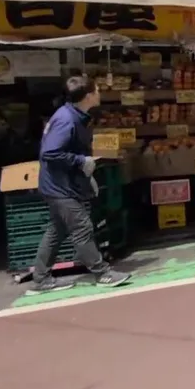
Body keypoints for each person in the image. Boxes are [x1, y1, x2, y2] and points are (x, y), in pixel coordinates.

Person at [28, 76, 131, 294]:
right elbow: (50, 153)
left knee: (57, 230)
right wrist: (81, 161)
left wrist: (85, 174)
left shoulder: (73, 115)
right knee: (82, 227)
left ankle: (41, 278)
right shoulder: (66, 120)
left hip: (62, 184)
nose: (99, 93)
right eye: (97, 90)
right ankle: (102, 273)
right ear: (88, 96)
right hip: (60, 187)